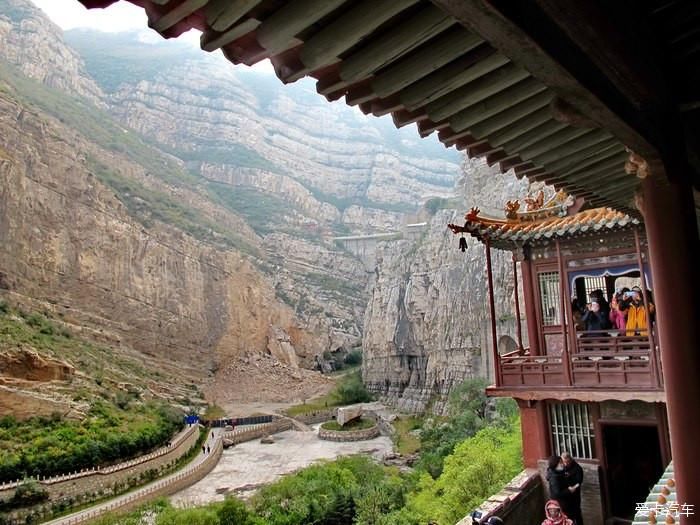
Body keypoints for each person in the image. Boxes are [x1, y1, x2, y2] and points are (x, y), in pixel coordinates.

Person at [562, 452, 584, 525]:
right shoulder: (563, 467)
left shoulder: (578, 468)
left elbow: (579, 482)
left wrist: (573, 488)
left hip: (575, 495)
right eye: (564, 462)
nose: (565, 464)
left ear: (570, 459)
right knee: (568, 515)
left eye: (567, 462)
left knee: (577, 513)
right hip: (566, 494)